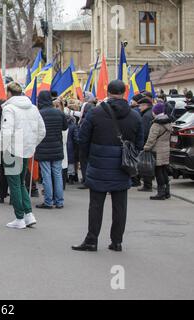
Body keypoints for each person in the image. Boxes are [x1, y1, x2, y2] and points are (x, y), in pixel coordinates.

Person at [72, 80, 144, 252]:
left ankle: (91, 240)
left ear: (108, 91)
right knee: (120, 206)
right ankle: (117, 241)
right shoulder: (135, 116)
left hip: (98, 164)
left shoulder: (95, 113)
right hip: (123, 165)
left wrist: (90, 156)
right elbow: (139, 143)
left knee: (96, 205)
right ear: (124, 92)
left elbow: (82, 138)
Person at [0, 82, 46, 229]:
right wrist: (32, 144)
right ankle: (28, 214)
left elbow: (7, 132)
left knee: (15, 184)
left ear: (9, 93)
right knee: (21, 183)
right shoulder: (33, 108)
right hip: (26, 149)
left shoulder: (9, 108)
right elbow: (42, 131)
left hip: (12, 149)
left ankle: (19, 217)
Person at [34, 91, 68, 210]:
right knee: (57, 174)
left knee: (46, 175)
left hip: (43, 148)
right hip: (57, 147)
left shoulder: (39, 114)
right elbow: (65, 127)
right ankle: (59, 201)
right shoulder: (59, 113)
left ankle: (48, 201)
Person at [143, 103, 172, 200]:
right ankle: (167, 191)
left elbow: (151, 139)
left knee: (158, 171)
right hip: (165, 149)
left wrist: (146, 148)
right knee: (164, 170)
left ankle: (161, 193)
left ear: (155, 112)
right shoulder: (168, 122)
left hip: (157, 151)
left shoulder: (156, 124)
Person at [137, 95, 154, 192]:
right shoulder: (150, 113)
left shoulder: (146, 116)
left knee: (146, 164)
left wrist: (142, 144)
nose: (139, 108)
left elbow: (144, 132)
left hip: (147, 143)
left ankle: (147, 185)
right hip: (152, 143)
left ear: (145, 105)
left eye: (140, 106)